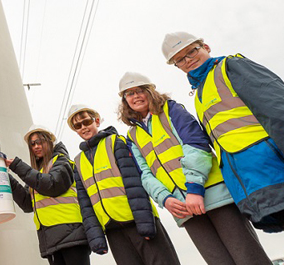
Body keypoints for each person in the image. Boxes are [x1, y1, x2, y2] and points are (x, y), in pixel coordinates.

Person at [117, 71, 272, 264]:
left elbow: (196, 146)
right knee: (217, 261)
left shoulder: (171, 110)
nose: (136, 96)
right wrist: (165, 199)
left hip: (213, 195)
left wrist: (195, 189)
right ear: (125, 101)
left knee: (248, 257)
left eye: (140, 90)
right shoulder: (132, 136)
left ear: (150, 91)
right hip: (181, 207)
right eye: (129, 93)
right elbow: (145, 175)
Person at [162, 31, 284, 232]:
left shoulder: (231, 67)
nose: (188, 60)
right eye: (180, 60)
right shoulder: (200, 94)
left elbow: (277, 109)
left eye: (191, 52)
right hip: (251, 185)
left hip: (273, 172)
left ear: (206, 47)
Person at [69, 104, 181, 265]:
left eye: (86, 122)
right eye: (78, 125)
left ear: (97, 121)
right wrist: (96, 239)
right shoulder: (78, 162)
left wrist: (145, 223)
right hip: (113, 229)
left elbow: (134, 182)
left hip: (138, 221)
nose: (83, 128)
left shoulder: (115, 142)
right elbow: (85, 205)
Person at [6, 125, 90, 265]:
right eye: (32, 144)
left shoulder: (62, 162)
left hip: (71, 235)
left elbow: (52, 185)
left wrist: (17, 166)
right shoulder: (39, 172)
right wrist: (7, 177)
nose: (36, 146)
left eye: (40, 141)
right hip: (50, 238)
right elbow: (27, 203)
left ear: (50, 141)